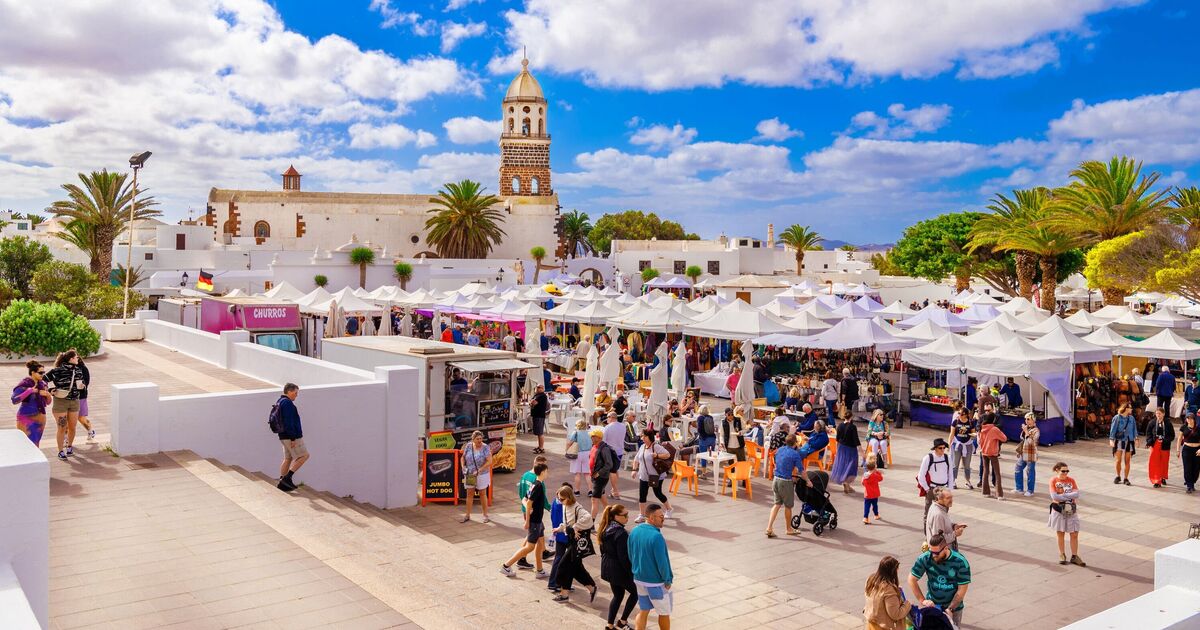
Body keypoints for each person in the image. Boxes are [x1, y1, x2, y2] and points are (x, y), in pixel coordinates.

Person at [908, 533, 970, 627]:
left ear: (946, 548)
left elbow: (962, 589)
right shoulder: (925, 558)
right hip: (932, 606)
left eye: (936, 553)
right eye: (931, 551)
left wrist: (951, 609)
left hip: (954, 608)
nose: (933, 555)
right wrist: (923, 600)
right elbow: (911, 579)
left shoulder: (960, 562)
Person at [501, 462, 550, 578]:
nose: (548, 473)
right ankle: (506, 566)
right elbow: (528, 503)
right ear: (542, 472)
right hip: (534, 522)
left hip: (538, 521)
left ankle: (539, 570)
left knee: (540, 543)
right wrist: (527, 520)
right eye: (547, 471)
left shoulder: (535, 483)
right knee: (530, 546)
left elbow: (524, 499)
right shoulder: (538, 486)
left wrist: (529, 509)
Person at [629, 503, 673, 630]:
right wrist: (667, 579)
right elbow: (662, 562)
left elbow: (631, 555)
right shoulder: (657, 536)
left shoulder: (634, 531)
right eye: (661, 516)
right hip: (655, 583)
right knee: (664, 613)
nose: (663, 518)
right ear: (651, 518)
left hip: (639, 579)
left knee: (644, 610)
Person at [551, 486, 598, 602]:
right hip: (571, 540)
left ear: (569, 497)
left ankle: (564, 594)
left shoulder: (577, 508)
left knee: (563, 566)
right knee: (575, 568)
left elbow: (588, 519)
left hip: (577, 542)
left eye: (562, 499)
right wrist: (559, 528)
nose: (560, 501)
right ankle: (589, 588)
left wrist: (575, 527)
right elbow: (567, 522)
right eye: (558, 499)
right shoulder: (565, 506)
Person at [599, 504, 638, 629]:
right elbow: (623, 558)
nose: (627, 517)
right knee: (636, 593)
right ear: (615, 516)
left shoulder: (606, 528)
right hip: (618, 570)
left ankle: (609, 625)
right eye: (625, 515)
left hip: (607, 567)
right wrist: (632, 572)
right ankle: (622, 621)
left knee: (618, 595)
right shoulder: (621, 533)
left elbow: (602, 550)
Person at [45, 350, 85, 461]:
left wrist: (82, 386)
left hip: (74, 401)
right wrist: (50, 389)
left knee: (72, 427)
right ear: (71, 359)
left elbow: (80, 384)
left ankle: (69, 447)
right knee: (62, 427)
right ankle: (60, 451)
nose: (78, 359)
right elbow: (43, 381)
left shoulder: (78, 370)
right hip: (60, 402)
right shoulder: (57, 371)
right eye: (76, 357)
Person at [517, 454, 553, 569]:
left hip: (526, 509)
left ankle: (544, 551)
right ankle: (521, 558)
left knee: (540, 530)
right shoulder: (538, 481)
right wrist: (549, 508)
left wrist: (524, 505)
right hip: (532, 511)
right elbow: (543, 498)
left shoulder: (525, 475)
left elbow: (521, 492)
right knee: (531, 536)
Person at [1049, 461, 1086, 567]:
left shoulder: (1071, 480)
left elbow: (1077, 494)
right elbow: (1054, 497)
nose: (1065, 473)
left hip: (1071, 509)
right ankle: (1062, 554)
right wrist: (1069, 495)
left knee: (1074, 533)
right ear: (1057, 470)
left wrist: (1063, 495)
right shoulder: (1053, 480)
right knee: (1060, 533)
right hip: (1059, 510)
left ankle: (1074, 556)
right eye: (1063, 471)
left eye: (1067, 471)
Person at [631, 429, 674, 522]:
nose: (642, 438)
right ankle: (642, 515)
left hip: (656, 476)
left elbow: (667, 455)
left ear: (649, 437)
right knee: (642, 495)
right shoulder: (642, 447)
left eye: (643, 436)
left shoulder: (656, 446)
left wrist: (657, 455)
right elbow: (636, 459)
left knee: (658, 493)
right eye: (642, 436)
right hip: (644, 476)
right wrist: (634, 470)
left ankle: (669, 509)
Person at [766, 434, 802, 538]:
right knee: (788, 506)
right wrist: (808, 481)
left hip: (776, 479)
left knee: (776, 504)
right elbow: (801, 470)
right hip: (785, 482)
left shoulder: (780, 450)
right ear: (795, 443)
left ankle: (769, 527)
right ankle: (789, 529)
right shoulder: (795, 454)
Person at [274, 383, 308, 492]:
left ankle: (282, 481)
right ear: (289, 391)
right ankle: (288, 478)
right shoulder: (288, 403)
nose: (296, 395)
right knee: (304, 456)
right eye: (295, 392)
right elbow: (289, 422)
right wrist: (293, 438)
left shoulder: (280, 401)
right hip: (291, 436)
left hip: (283, 436)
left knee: (288, 458)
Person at [863, 555, 912, 630]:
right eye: (897, 569)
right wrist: (907, 604)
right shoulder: (889, 590)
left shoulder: (871, 580)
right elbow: (895, 614)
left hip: (871, 624)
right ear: (892, 571)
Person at [12, 360, 50, 447]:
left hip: (41, 417)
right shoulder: (24, 384)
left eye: (43, 372)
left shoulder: (43, 384)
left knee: (36, 443)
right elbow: (14, 400)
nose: (42, 374)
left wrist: (47, 395)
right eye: (40, 372)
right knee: (25, 444)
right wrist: (29, 391)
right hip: (25, 417)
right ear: (33, 372)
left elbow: (48, 402)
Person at [918, 439, 953, 523]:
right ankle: (928, 534)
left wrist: (949, 489)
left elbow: (951, 475)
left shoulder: (947, 458)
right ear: (935, 449)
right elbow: (921, 476)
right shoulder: (928, 458)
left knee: (944, 513)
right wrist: (927, 489)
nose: (942, 450)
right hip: (932, 488)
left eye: (944, 448)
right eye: (940, 448)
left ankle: (941, 533)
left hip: (944, 489)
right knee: (928, 513)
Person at [461, 430, 492, 523]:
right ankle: (467, 515)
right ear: (473, 439)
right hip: (470, 474)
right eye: (477, 439)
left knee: (482, 494)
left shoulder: (485, 447)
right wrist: (463, 467)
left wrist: (480, 470)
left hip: (482, 474)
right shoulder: (468, 446)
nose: (479, 440)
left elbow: (489, 461)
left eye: (481, 438)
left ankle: (485, 515)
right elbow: (463, 457)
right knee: (469, 494)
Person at [830, 410, 862, 494]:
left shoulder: (840, 426)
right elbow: (856, 440)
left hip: (842, 448)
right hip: (851, 449)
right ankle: (847, 482)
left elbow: (837, 439)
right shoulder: (852, 427)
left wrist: (837, 450)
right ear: (851, 417)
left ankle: (847, 484)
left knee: (843, 466)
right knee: (851, 466)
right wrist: (862, 452)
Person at [978, 413, 1008, 500]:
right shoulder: (994, 429)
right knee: (997, 473)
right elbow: (1004, 438)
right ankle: (999, 495)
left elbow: (980, 440)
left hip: (984, 452)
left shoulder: (982, 428)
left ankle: (985, 492)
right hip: (993, 453)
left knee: (985, 471)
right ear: (993, 420)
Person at [947, 402, 976, 490]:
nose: (959, 415)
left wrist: (973, 437)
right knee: (955, 464)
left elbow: (973, 433)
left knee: (967, 465)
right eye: (959, 413)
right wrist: (949, 445)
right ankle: (953, 481)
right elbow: (951, 434)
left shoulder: (970, 422)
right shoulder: (955, 421)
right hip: (957, 444)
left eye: (962, 414)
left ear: (966, 415)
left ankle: (968, 481)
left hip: (967, 445)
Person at [591, 429, 619, 516]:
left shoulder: (604, 449)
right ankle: (611, 516)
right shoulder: (595, 446)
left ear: (599, 438)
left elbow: (609, 464)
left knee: (594, 500)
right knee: (603, 498)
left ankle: (591, 523)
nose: (591, 438)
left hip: (600, 478)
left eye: (593, 436)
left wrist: (598, 473)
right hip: (595, 477)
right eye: (591, 436)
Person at [1146, 407, 1175, 488]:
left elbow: (1172, 435)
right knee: (1155, 463)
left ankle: (1162, 477)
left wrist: (1165, 440)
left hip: (1165, 445)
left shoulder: (1168, 423)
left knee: (1164, 462)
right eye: (1157, 413)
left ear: (1163, 414)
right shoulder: (1152, 422)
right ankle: (1156, 480)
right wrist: (1149, 441)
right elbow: (1148, 433)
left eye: (1160, 413)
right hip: (1154, 445)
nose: (1158, 415)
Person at [602, 412, 629, 499]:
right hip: (619, 451)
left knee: (612, 472)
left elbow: (603, 441)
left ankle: (616, 491)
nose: (607, 419)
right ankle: (614, 490)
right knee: (615, 470)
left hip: (611, 451)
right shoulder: (623, 426)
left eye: (607, 417)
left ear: (611, 417)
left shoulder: (607, 428)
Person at [1109, 403, 1137, 486]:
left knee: (1127, 461)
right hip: (1119, 441)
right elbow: (1113, 429)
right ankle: (1118, 476)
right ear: (1126, 408)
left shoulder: (1132, 418)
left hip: (1129, 441)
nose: (1131, 409)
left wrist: (1136, 438)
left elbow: (1134, 429)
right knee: (1118, 460)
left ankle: (1126, 478)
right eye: (1130, 408)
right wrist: (1111, 440)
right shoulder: (1117, 418)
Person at [1014, 412, 1040, 497]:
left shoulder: (1036, 430)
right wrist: (1024, 431)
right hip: (1024, 452)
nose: (1026, 421)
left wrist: (1025, 431)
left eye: (1028, 419)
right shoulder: (1028, 428)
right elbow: (1022, 439)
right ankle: (1019, 488)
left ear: (1033, 420)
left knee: (1030, 471)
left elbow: (1031, 442)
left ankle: (1030, 490)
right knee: (1018, 468)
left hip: (1031, 453)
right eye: (1025, 419)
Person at [73, 352, 95, 440]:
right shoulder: (66, 368)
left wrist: (80, 385)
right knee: (66, 418)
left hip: (81, 396)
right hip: (69, 397)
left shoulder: (83, 368)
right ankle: (66, 438)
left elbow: (86, 382)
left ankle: (90, 430)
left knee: (81, 417)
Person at [568, 418, 593, 494]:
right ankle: (590, 490)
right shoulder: (590, 433)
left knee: (577, 473)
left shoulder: (575, 433)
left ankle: (577, 490)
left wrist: (567, 450)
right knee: (587, 473)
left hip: (577, 453)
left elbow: (569, 443)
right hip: (588, 453)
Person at [1177, 412, 1200, 493]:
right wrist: (1178, 450)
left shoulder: (1198, 428)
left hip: (1197, 450)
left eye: (1190, 418)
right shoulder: (1183, 427)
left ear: (1194, 419)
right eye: (1187, 418)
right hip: (1186, 449)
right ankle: (1189, 485)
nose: (1189, 420)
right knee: (1187, 468)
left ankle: (1192, 482)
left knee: (1196, 468)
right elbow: (1179, 439)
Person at [862, 458, 883, 525]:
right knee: (875, 505)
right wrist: (877, 472)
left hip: (867, 494)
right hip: (874, 494)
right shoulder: (875, 475)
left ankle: (865, 517)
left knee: (866, 506)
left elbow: (862, 483)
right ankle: (876, 515)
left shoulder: (865, 475)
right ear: (874, 468)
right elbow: (881, 478)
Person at [530, 384, 549, 455]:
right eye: (537, 387)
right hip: (536, 415)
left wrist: (532, 402)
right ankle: (539, 446)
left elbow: (533, 402)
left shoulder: (542, 396)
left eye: (539, 388)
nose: (537, 389)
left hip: (539, 416)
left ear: (543, 388)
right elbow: (531, 402)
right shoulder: (536, 395)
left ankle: (541, 448)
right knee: (538, 432)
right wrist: (532, 402)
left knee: (540, 433)